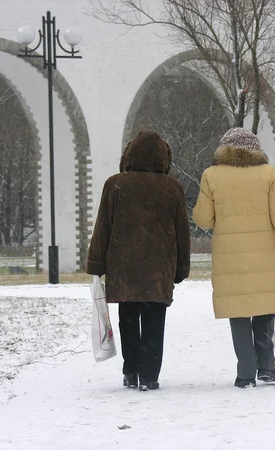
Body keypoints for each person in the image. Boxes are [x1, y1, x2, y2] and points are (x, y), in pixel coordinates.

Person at [193, 127, 275, 388]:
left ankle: (246, 372)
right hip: (264, 257)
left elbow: (203, 219)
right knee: (265, 309)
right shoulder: (267, 174)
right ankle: (267, 366)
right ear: (255, 150)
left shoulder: (211, 175)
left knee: (239, 314)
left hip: (229, 258)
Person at [87, 130, 191, 391]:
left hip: (124, 266)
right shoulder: (172, 188)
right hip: (159, 268)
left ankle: (130, 371)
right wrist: (181, 267)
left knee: (128, 318)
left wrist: (96, 264)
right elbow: (181, 232)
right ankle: (149, 376)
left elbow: (103, 226)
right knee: (155, 321)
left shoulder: (115, 184)